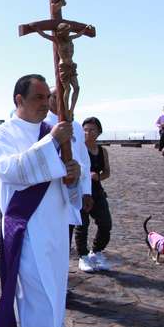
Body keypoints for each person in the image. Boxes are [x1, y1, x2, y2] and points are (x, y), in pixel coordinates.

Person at [0, 74, 81, 327]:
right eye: (39, 97)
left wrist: (74, 176)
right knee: (37, 299)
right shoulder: (1, 135)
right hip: (25, 230)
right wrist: (51, 142)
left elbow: (70, 187)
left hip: (55, 230)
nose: (45, 103)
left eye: (47, 97)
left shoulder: (54, 130)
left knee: (54, 297)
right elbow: (12, 171)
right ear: (18, 100)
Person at [45, 88, 93, 244]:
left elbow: (84, 160)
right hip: (52, 189)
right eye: (55, 97)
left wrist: (86, 191)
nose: (61, 101)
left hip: (73, 185)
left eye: (64, 97)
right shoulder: (43, 124)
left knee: (66, 236)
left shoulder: (77, 127)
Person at [73, 117, 113, 273]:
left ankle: (96, 251)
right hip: (81, 191)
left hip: (96, 191)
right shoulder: (77, 149)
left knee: (105, 223)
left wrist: (98, 176)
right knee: (82, 225)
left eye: (92, 130)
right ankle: (82, 256)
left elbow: (107, 172)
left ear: (99, 132)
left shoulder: (102, 151)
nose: (88, 133)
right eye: (85, 130)